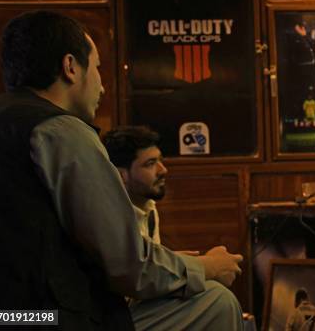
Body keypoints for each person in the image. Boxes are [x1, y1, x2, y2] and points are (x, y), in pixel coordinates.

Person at [0, 11, 243, 330]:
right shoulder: (61, 131)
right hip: (52, 319)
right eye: (97, 68)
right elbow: (129, 267)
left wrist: (175, 264)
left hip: (1, 317)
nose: (103, 87)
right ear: (70, 67)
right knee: (215, 301)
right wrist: (205, 266)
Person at [102, 125, 243, 329]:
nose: (163, 170)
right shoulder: (109, 214)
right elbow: (137, 277)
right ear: (122, 175)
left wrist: (179, 261)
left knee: (207, 293)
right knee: (219, 300)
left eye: (160, 160)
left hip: (130, 308)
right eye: (150, 164)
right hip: (91, 318)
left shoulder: (148, 207)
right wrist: (208, 266)